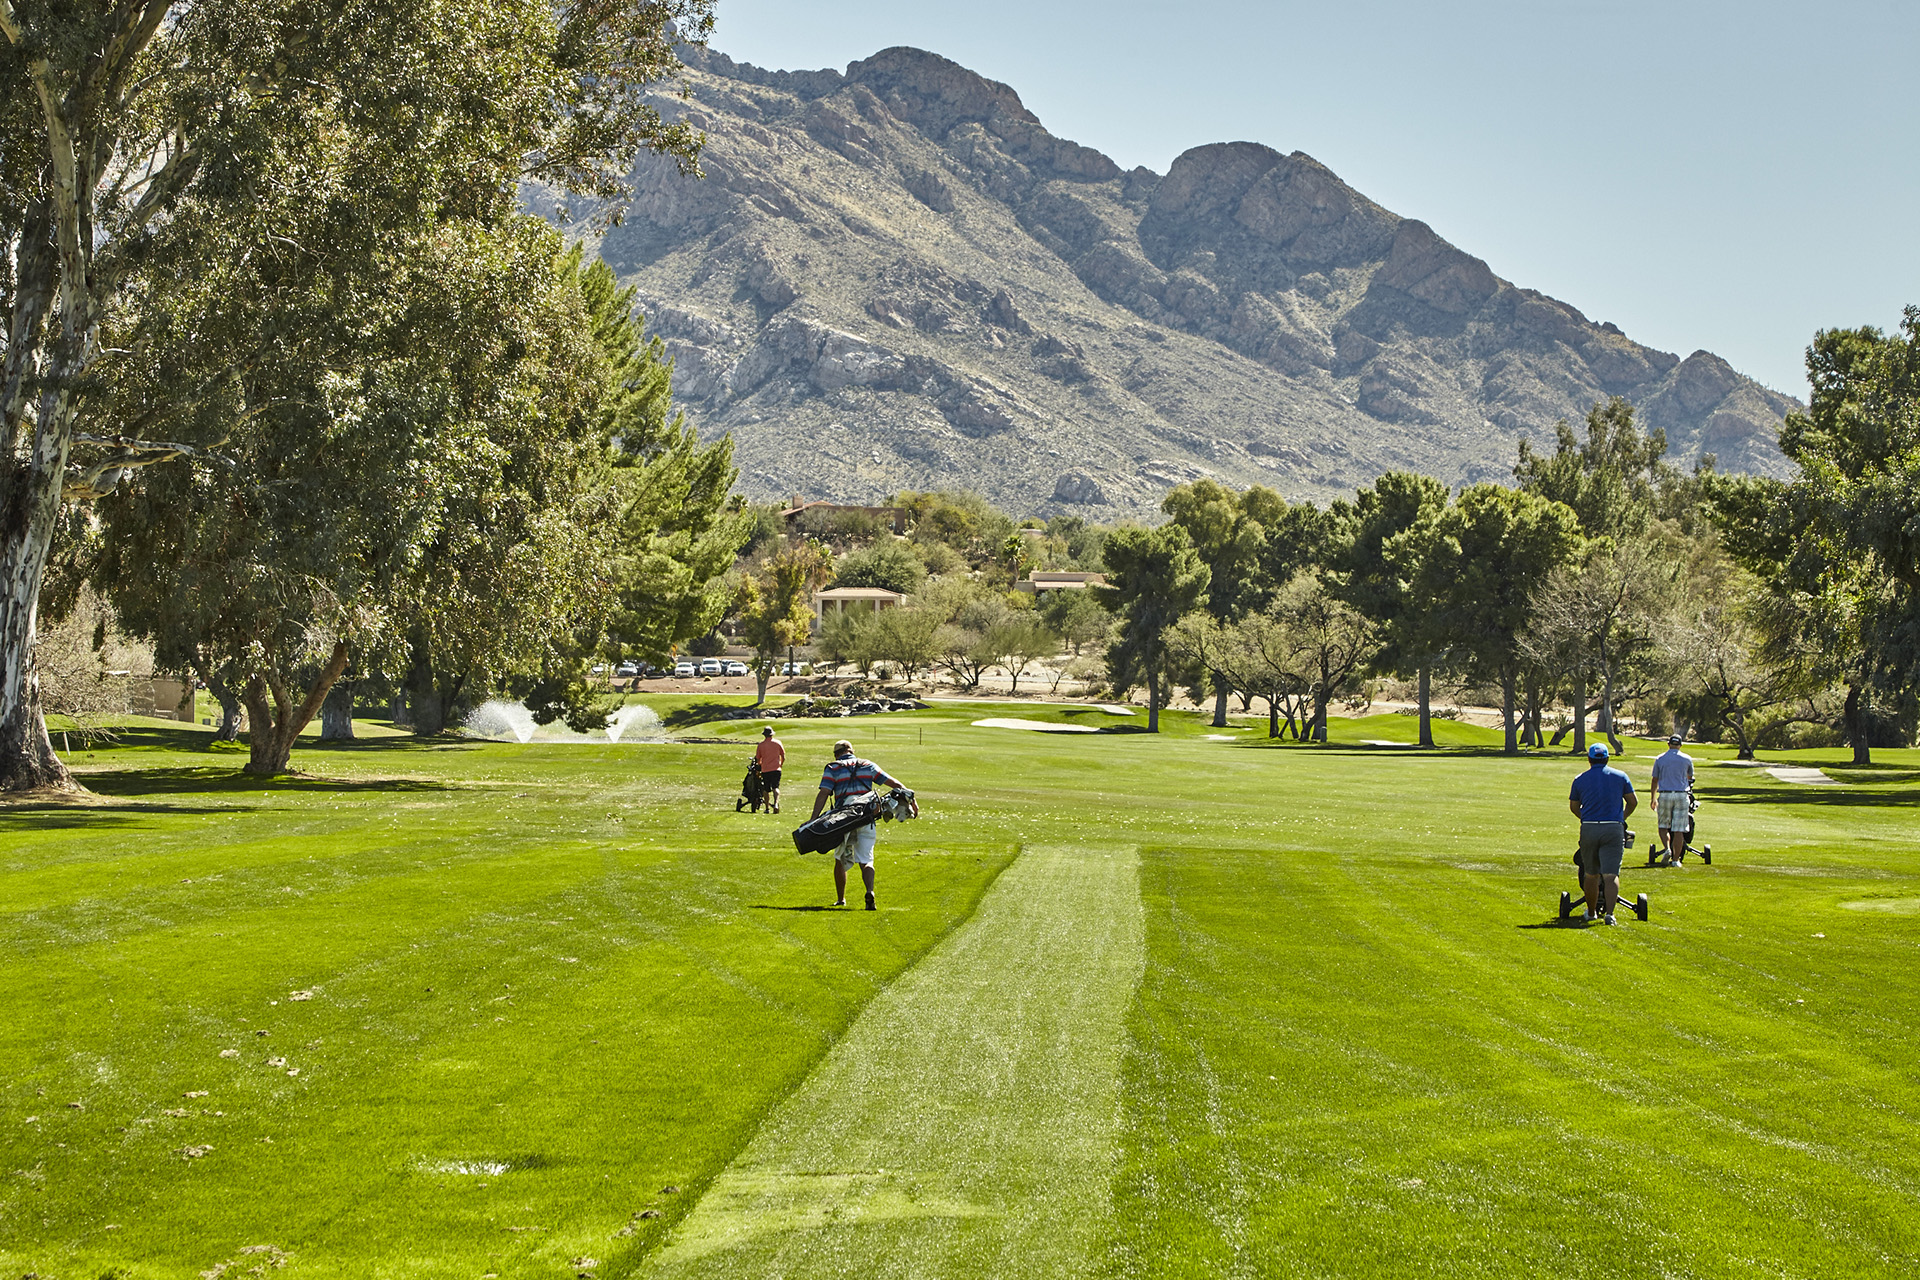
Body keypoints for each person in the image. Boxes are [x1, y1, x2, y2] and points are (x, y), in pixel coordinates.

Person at [810, 738, 906, 910]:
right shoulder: (867, 765)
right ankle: (869, 891)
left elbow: (824, 793)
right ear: (852, 751)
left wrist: (813, 819)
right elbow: (896, 785)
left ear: (836, 754)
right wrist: (912, 801)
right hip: (866, 818)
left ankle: (841, 899)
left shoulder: (833, 768)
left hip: (842, 821)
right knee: (867, 860)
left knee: (840, 859)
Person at [1569, 742, 1637, 924]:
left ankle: (1591, 913)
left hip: (1590, 827)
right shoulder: (1621, 777)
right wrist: (1621, 817)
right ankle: (1610, 914)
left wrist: (1585, 817)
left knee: (1591, 874)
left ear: (1589, 759)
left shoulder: (1580, 779)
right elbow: (1632, 802)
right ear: (1607, 758)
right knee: (1611, 875)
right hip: (1613, 828)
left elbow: (1574, 806)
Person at [1650, 733, 1695, 865]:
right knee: (1679, 829)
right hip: (1681, 795)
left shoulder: (1660, 759)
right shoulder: (1687, 759)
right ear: (1680, 745)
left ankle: (1667, 849)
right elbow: (1689, 777)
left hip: (1665, 794)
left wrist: (1653, 798)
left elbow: (1655, 780)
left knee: (1663, 826)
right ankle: (1676, 860)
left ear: (1668, 744)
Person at [754, 726, 786, 815]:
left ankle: (767, 807)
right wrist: (780, 764)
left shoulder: (761, 745)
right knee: (776, 787)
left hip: (765, 769)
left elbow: (758, 759)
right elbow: (783, 756)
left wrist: (759, 766)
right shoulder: (778, 743)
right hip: (776, 768)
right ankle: (776, 804)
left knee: (766, 789)